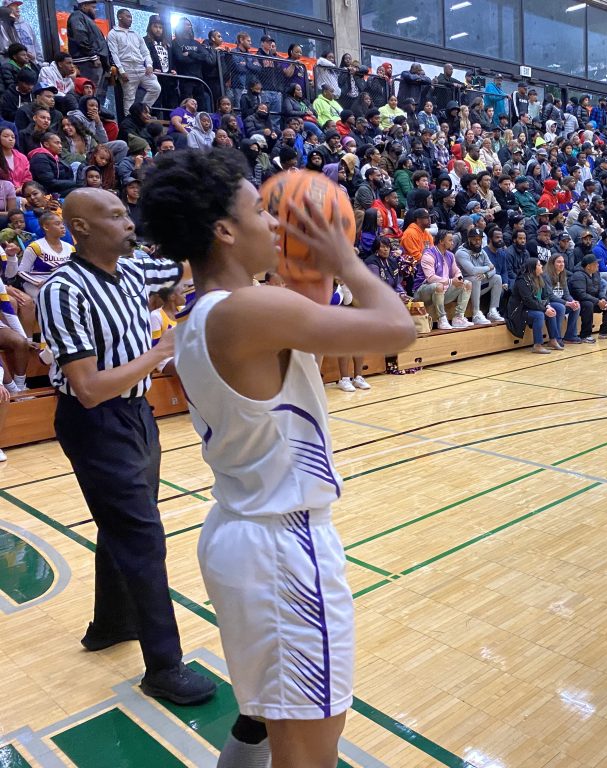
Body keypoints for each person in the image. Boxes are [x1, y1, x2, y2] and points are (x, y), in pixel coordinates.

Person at [140, 148, 415, 768]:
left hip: (245, 536)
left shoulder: (206, 313)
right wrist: (346, 259)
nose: (275, 224)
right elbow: (397, 328)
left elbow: (308, 342)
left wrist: (312, 272)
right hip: (284, 550)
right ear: (224, 231)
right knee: (307, 753)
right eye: (261, 211)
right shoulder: (251, 310)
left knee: (266, 720)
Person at [36, 187, 216, 705]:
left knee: (122, 525)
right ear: (82, 226)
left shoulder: (136, 270)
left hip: (138, 414)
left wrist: (179, 278)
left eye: (126, 211)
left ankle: (110, 624)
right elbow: (88, 387)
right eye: (114, 214)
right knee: (143, 537)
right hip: (95, 421)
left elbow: (187, 268)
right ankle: (164, 666)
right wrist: (162, 349)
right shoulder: (63, 290)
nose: (128, 221)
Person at [413, 230, 471, 330]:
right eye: (450, 240)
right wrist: (451, 281)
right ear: (441, 241)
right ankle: (442, 319)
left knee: (467, 283)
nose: (453, 242)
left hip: (442, 291)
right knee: (438, 285)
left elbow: (457, 271)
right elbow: (430, 278)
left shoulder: (450, 255)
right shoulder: (428, 255)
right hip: (423, 292)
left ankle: (458, 317)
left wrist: (459, 279)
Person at [107, 8, 161, 116]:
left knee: (155, 88)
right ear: (120, 17)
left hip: (141, 67)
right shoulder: (113, 33)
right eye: (127, 16)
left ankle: (141, 112)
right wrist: (121, 71)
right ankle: (130, 122)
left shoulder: (136, 34)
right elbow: (114, 54)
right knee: (129, 98)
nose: (130, 19)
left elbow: (145, 52)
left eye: (131, 17)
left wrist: (149, 65)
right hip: (126, 68)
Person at [507, 256, 565, 354]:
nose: (541, 266)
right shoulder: (522, 280)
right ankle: (537, 345)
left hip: (533, 308)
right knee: (540, 315)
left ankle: (553, 340)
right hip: (520, 310)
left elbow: (545, 296)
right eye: (539, 265)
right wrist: (544, 309)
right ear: (533, 268)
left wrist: (548, 306)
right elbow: (528, 301)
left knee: (552, 311)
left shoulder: (540, 278)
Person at [454, 227, 504, 325]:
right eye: (474, 239)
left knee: (497, 278)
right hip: (463, 286)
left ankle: (492, 311)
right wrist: (487, 268)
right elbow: (472, 270)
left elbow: (494, 269)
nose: (477, 242)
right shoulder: (461, 253)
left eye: (479, 239)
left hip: (478, 286)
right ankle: (476, 313)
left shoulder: (482, 251)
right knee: (475, 278)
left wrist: (486, 275)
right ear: (468, 239)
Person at [66, 0, 109, 106]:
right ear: (84, 6)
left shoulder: (85, 18)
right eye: (93, 7)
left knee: (94, 96)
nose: (95, 10)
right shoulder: (77, 16)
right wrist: (93, 56)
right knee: (88, 95)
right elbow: (81, 37)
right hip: (87, 62)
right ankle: (86, 119)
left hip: (93, 62)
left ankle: (94, 119)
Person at [543, 254, 581, 343]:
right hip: (548, 303)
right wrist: (567, 303)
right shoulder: (546, 276)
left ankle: (570, 335)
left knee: (576, 306)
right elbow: (550, 296)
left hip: (561, 302)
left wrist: (572, 301)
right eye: (559, 262)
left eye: (563, 262)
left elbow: (566, 294)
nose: (562, 264)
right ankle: (556, 338)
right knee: (560, 307)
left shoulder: (563, 275)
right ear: (552, 264)